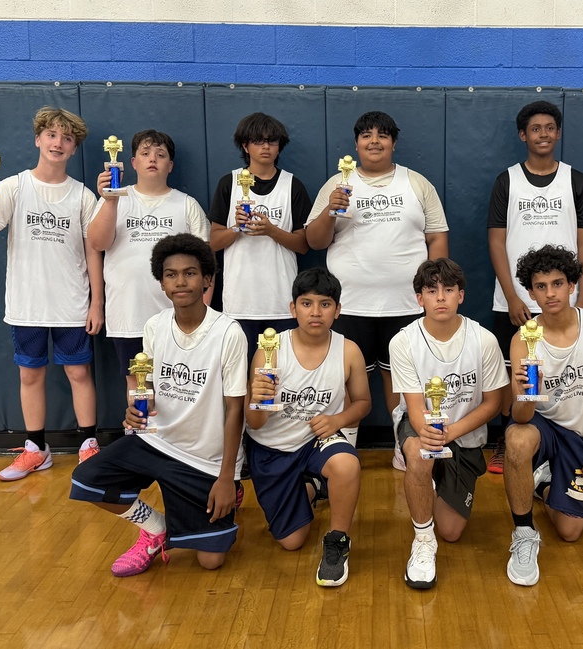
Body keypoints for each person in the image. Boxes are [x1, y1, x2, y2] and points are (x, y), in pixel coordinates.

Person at [70, 233, 247, 577]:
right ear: (162, 283)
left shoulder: (229, 333)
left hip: (203, 459)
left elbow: (235, 410)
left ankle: (232, 493)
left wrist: (227, 476)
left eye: (190, 273)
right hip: (156, 441)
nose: (180, 281)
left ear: (208, 279)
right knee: (87, 481)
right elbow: (146, 385)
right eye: (171, 274)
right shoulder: (154, 326)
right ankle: (155, 528)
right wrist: (135, 408)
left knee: (210, 561)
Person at [0, 106, 103, 481]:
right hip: (26, 305)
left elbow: (94, 250)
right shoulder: (12, 186)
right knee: (30, 377)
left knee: (78, 372)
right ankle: (35, 449)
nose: (58, 143)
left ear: (74, 148)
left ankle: (89, 445)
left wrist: (97, 301)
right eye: (52, 135)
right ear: (38, 139)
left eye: (67, 138)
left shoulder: (82, 195)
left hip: (72, 304)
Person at [306, 111, 449, 456]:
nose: (374, 141)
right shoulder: (337, 185)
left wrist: (432, 290)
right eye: (366, 135)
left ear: (393, 143)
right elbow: (314, 241)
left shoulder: (417, 183)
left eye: (382, 135)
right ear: (356, 144)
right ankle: (342, 450)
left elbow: (438, 238)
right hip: (350, 305)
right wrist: (330, 211)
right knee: (346, 381)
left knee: (401, 381)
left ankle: (406, 447)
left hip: (406, 305)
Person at [85, 129, 210, 461]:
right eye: (145, 153)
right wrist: (111, 199)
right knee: (136, 382)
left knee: (176, 381)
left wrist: (204, 319)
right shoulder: (114, 197)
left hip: (176, 318)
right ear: (133, 162)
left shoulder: (187, 205)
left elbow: (205, 266)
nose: (153, 158)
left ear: (171, 165)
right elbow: (97, 243)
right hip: (128, 313)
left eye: (160, 154)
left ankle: (178, 445)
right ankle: (141, 443)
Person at [485, 101, 583, 475]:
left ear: (558, 133)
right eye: (536, 128)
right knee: (511, 375)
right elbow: (497, 241)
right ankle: (506, 439)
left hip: (565, 298)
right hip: (515, 301)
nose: (544, 134)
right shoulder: (507, 180)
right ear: (523, 135)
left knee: (567, 374)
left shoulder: (575, 180)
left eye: (550, 127)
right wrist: (513, 295)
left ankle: (561, 441)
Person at [244, 268, 371, 587]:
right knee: (292, 541)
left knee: (346, 464)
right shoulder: (269, 350)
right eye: (307, 303)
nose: (316, 312)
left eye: (325, 304)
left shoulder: (348, 350)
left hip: (316, 441)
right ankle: (313, 487)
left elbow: (363, 402)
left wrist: (337, 420)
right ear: (293, 308)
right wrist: (257, 400)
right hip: (271, 449)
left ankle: (338, 542)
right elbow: (254, 423)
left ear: (338, 310)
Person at [503, 244, 583, 587]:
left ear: (572, 285)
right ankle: (524, 533)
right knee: (516, 439)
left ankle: (542, 485)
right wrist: (527, 391)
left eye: (557, 283)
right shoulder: (524, 338)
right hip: (542, 426)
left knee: (570, 532)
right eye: (541, 286)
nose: (550, 293)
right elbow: (521, 416)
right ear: (530, 292)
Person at [388, 259, 508, 589]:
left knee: (453, 532)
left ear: (461, 296)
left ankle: (437, 485)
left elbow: (494, 403)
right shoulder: (403, 342)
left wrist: (452, 432)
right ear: (419, 298)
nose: (440, 297)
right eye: (431, 290)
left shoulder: (483, 340)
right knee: (419, 455)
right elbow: (413, 408)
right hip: (422, 425)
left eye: (448, 290)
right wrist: (430, 434)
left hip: (464, 432)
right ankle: (423, 542)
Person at [208, 113, 312, 356]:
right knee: (241, 379)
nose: (266, 147)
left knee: (280, 376)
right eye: (258, 141)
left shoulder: (292, 185)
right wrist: (236, 228)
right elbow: (214, 242)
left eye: (272, 141)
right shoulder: (229, 183)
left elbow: (303, 245)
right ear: (245, 145)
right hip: (240, 303)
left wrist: (271, 231)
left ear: (279, 147)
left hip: (282, 303)